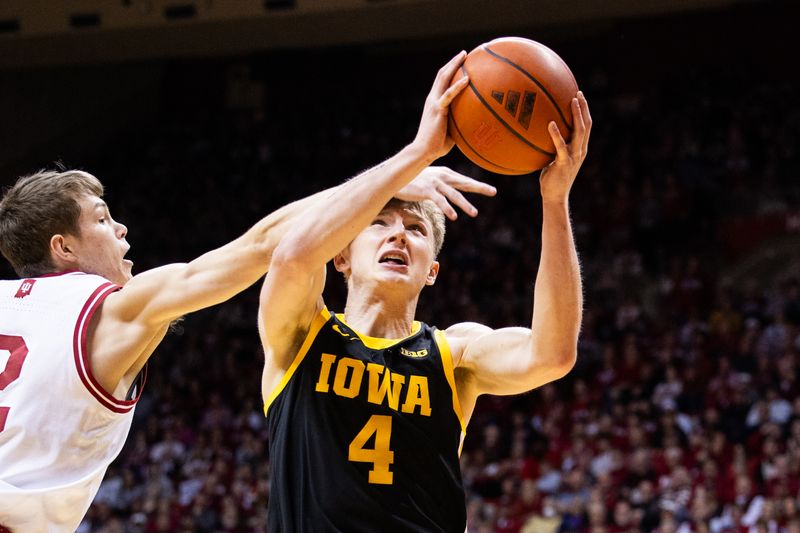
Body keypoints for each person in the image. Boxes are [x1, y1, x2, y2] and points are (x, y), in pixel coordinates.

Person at [0, 157, 492, 532]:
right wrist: (387, 179)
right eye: (103, 219)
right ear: (62, 247)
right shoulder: (117, 307)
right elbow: (263, 247)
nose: (121, 228)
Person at [259, 51, 591, 531]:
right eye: (380, 224)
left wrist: (555, 200)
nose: (398, 235)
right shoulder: (301, 334)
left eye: (415, 229)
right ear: (341, 256)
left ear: (432, 270)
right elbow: (291, 256)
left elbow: (553, 353)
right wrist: (418, 154)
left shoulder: (455, 354)